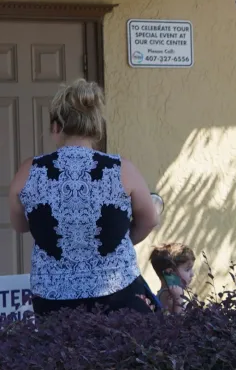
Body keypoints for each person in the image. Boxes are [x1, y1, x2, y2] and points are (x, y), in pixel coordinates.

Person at [7, 79, 160, 316]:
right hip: (118, 294)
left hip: (53, 299)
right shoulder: (122, 170)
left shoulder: (28, 172)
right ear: (95, 127)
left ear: (56, 127)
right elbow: (149, 220)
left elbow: (20, 225)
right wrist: (113, 244)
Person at [149, 242, 195, 313]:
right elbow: (175, 321)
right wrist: (178, 299)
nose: (192, 274)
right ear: (169, 273)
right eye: (187, 269)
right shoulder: (168, 295)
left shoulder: (175, 292)